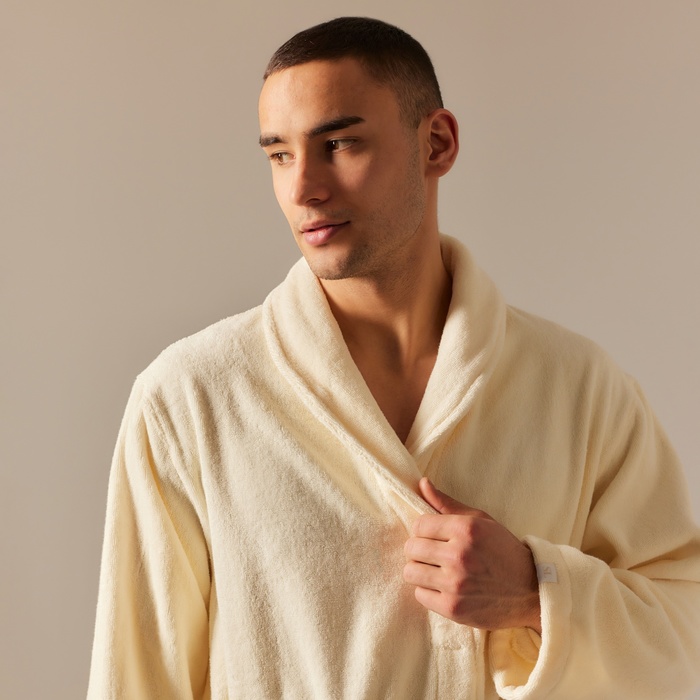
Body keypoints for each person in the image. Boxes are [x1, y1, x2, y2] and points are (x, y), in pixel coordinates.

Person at [87, 16, 700, 699]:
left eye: (339, 144)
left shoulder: (580, 389)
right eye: (280, 155)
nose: (303, 188)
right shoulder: (190, 399)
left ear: (436, 143)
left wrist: (537, 590)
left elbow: (686, 633)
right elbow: (136, 681)